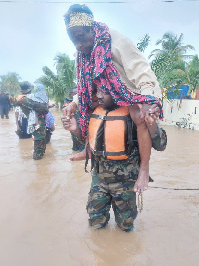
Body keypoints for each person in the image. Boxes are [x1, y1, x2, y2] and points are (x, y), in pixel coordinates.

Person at [63, 4, 163, 193]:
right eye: (73, 41)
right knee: (85, 104)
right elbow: (83, 84)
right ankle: (89, 148)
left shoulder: (117, 42)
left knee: (139, 115)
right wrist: (74, 103)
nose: (78, 45)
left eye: (80, 38)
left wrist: (149, 102)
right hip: (102, 90)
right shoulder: (82, 52)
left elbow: (143, 73)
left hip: (126, 90)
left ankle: (144, 168)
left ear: (91, 29)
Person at [62, 86, 167, 231]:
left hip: (126, 182)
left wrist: (152, 124)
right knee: (95, 221)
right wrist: (76, 130)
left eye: (104, 92)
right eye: (97, 91)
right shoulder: (94, 111)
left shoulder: (136, 113)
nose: (99, 96)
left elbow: (160, 145)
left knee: (125, 225)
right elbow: (91, 144)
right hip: (99, 179)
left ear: (117, 91)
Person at [16, 84, 49, 160]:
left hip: (40, 121)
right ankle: (38, 160)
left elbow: (45, 110)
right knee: (39, 140)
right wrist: (39, 106)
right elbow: (45, 109)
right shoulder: (28, 99)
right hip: (36, 122)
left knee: (41, 140)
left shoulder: (39, 98)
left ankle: (40, 159)